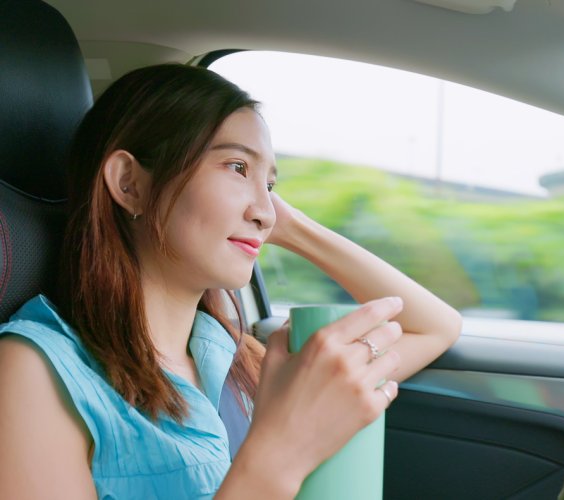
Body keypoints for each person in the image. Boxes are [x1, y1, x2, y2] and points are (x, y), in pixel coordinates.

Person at [0, 64, 462, 499]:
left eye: (272, 187)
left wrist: (293, 226)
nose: (263, 212)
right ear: (129, 184)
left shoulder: (244, 359)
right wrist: (279, 454)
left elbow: (434, 327)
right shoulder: (33, 372)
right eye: (237, 167)